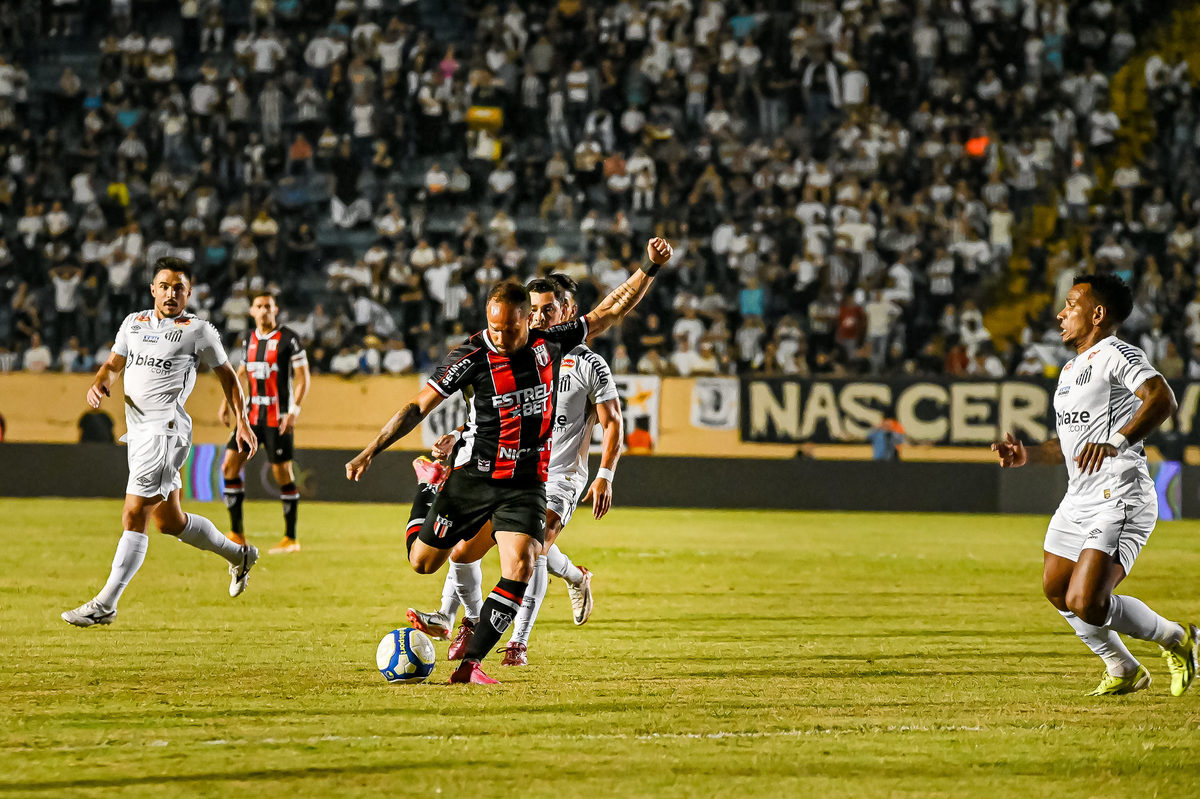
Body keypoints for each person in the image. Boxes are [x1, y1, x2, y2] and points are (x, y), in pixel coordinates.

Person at [346, 237, 673, 684]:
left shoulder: (550, 345)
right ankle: (428, 486)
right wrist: (371, 449)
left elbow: (611, 311)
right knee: (425, 562)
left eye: (509, 329)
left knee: (521, 563)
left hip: (527, 484)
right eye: (493, 328)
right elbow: (416, 407)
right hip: (475, 478)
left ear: (526, 321)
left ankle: (470, 665)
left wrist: (649, 267)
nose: (500, 337)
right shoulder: (470, 356)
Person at [992, 274, 1197, 696]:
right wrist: (1029, 453)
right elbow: (1070, 443)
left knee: (1087, 602)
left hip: (1119, 496)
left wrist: (1118, 440)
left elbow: (1162, 398)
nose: (1060, 313)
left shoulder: (1116, 353)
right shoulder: (1070, 370)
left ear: (1097, 314)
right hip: (1079, 499)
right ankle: (1122, 668)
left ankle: (1181, 639)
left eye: (1070, 304)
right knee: (1056, 590)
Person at [406, 274, 624, 667]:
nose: (540, 317)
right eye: (534, 310)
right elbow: (497, 416)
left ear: (567, 311)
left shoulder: (588, 363)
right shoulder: (523, 355)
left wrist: (605, 474)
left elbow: (613, 421)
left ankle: (516, 642)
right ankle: (569, 579)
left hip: (560, 477)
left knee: (533, 550)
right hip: (513, 471)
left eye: (548, 309)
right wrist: (459, 435)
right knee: (461, 552)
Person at [62, 258, 259, 628]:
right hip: (137, 433)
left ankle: (106, 603)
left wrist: (243, 423)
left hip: (166, 432)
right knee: (170, 521)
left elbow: (229, 378)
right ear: (153, 289)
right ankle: (240, 555)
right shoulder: (133, 323)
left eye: (179, 288)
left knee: (134, 513)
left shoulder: (199, 331)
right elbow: (112, 365)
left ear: (189, 292)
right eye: (164, 286)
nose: (171, 293)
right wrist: (100, 383)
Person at [218, 292, 311, 554]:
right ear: (251, 311)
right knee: (229, 466)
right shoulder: (248, 338)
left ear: (276, 309)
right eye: (259, 306)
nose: (264, 311)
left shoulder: (289, 339)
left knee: (282, 474)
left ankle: (291, 538)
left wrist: (294, 411)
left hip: (277, 417)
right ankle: (236, 533)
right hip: (250, 417)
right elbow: (242, 372)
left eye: (268, 306)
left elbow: (304, 378)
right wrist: (228, 401)